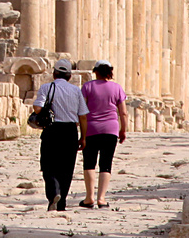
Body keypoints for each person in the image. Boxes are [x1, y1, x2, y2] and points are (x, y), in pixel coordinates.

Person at [31, 58, 88, 211]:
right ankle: (61, 203)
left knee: (48, 165)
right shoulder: (76, 90)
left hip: (52, 129)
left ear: (54, 73)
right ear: (69, 76)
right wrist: (83, 137)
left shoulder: (46, 87)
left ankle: (54, 193)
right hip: (70, 131)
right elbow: (82, 115)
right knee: (67, 168)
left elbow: (37, 108)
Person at [78, 61, 128, 208]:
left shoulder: (87, 86)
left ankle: (89, 198)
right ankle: (101, 198)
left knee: (89, 163)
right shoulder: (117, 88)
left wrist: (81, 130)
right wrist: (123, 130)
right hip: (111, 129)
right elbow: (123, 112)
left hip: (91, 128)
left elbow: (82, 109)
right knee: (106, 163)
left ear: (96, 72)